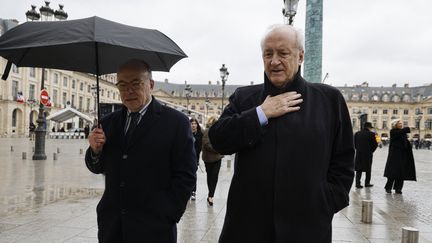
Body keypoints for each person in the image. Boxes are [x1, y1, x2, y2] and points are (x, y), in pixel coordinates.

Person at [208, 24, 354, 242]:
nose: (274, 61)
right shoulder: (245, 98)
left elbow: (343, 160)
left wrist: (326, 201)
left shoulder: (329, 100)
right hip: (247, 226)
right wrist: (260, 113)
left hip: (307, 225)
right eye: (268, 54)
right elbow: (218, 139)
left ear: (301, 56)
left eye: (283, 53)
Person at [85, 59, 197, 243]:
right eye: (122, 85)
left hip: (155, 227)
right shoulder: (108, 122)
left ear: (150, 84)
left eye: (135, 83)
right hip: (112, 226)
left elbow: (186, 175)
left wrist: (169, 213)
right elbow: (97, 167)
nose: (128, 90)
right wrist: (95, 151)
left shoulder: (176, 123)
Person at [383, 119, 416, 194]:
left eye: (401, 123)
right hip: (394, 155)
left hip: (402, 155)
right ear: (395, 125)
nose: (401, 124)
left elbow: (405, 142)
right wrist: (409, 128)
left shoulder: (402, 133)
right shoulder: (393, 131)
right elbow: (401, 132)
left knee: (401, 173)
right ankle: (388, 187)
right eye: (399, 123)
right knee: (392, 172)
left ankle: (398, 188)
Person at [201, 116, 224, 206]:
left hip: (217, 158)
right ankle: (210, 193)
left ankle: (211, 196)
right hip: (208, 158)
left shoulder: (220, 132)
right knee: (210, 176)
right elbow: (206, 144)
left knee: (214, 176)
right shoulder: (207, 131)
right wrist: (218, 149)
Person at [354, 122, 378, 188]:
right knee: (368, 169)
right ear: (369, 127)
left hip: (359, 154)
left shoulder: (357, 133)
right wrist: (371, 151)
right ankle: (367, 183)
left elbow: (354, 144)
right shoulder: (372, 134)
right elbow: (375, 145)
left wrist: (358, 149)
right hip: (368, 154)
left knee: (359, 169)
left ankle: (357, 183)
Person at [190, 117, 203, 201]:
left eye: (195, 124)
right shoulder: (186, 132)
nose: (193, 125)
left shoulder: (200, 134)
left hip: (194, 158)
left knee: (193, 174)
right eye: (192, 124)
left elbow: (199, 148)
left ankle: (193, 191)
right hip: (185, 157)